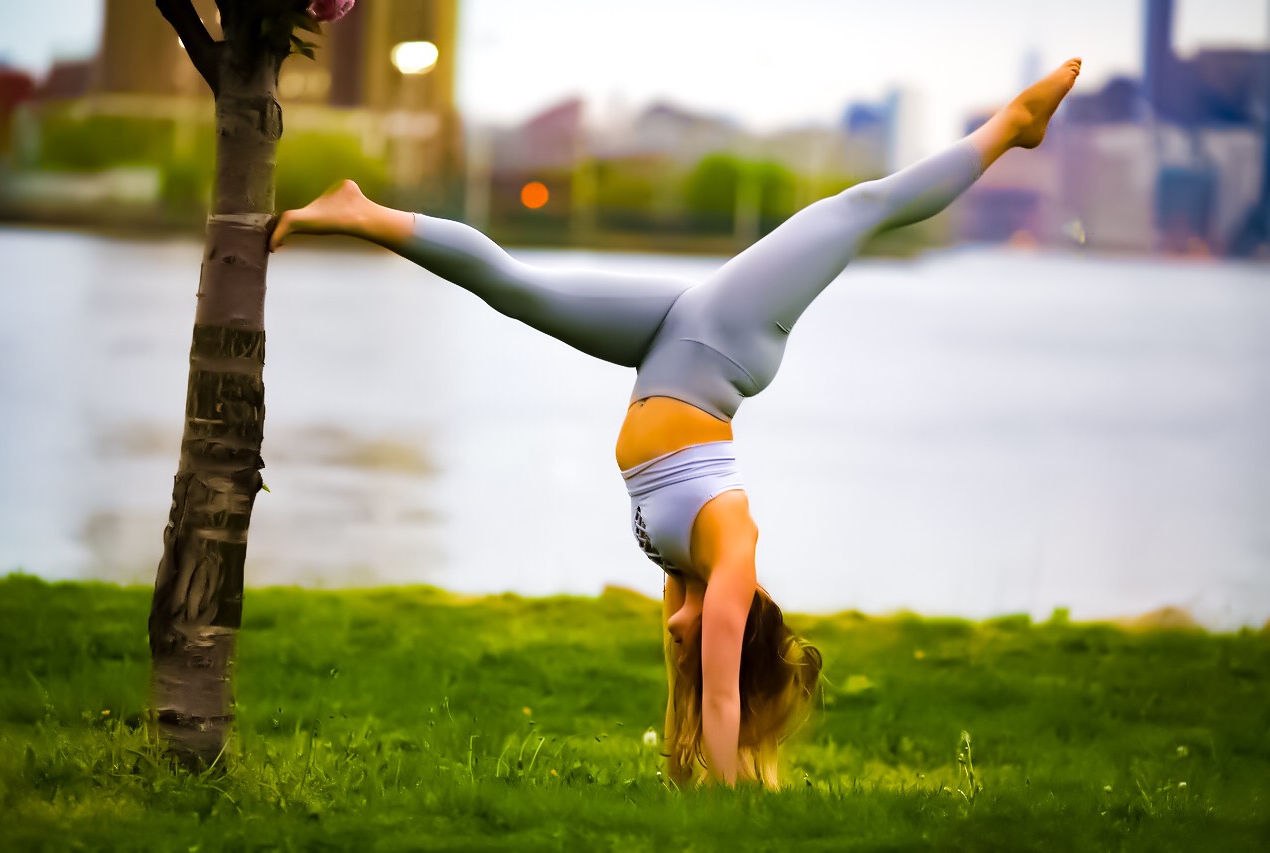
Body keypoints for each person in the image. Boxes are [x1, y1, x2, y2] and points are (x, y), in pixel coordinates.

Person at [270, 59, 1082, 788]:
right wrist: (731, 784)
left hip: (668, 343)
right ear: (745, 621)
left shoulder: (675, 571)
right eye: (700, 637)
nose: (679, 635)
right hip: (724, 339)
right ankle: (1011, 127)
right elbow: (722, 692)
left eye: (681, 638)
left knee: (520, 291)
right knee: (856, 209)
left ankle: (361, 212)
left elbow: (690, 691)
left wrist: (682, 768)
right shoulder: (733, 557)